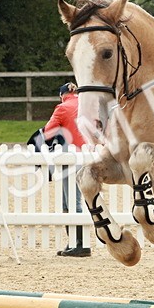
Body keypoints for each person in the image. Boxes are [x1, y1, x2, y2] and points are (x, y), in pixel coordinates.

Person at [43, 83, 90, 257]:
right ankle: (77, 242)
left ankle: (80, 243)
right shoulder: (88, 104)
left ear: (62, 94)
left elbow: (48, 131)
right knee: (84, 200)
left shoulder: (62, 107)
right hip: (91, 155)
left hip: (71, 158)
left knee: (70, 202)